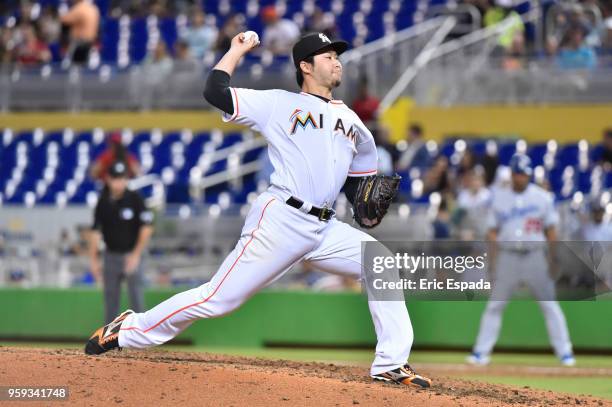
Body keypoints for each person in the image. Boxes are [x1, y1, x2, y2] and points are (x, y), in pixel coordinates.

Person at [84, 31, 432, 389]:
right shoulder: (278, 104)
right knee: (218, 299)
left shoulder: (354, 122)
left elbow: (358, 185)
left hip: (325, 228)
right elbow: (215, 92)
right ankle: (128, 329)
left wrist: (368, 210)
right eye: (327, 56)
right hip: (282, 220)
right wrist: (235, 51)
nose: (336, 60)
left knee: (382, 264)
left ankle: (391, 364)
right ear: (306, 66)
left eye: (336, 55)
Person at [467, 153, 575, 367]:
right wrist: (493, 261)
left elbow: (552, 231)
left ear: (529, 175)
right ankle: (481, 352)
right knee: (495, 306)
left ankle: (565, 352)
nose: (520, 177)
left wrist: (553, 259)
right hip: (508, 257)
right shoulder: (499, 197)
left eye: (524, 174)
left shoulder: (542, 197)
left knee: (550, 305)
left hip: (535, 256)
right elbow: (492, 233)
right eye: (517, 173)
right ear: (512, 174)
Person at [88, 161, 154, 324]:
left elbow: (146, 228)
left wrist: (136, 255)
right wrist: (94, 260)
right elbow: (95, 232)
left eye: (122, 178)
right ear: (109, 179)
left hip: (132, 254)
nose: (119, 182)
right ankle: (110, 341)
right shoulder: (103, 202)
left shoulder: (135, 199)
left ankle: (141, 341)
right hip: (110, 255)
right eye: (116, 178)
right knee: (110, 299)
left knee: (136, 297)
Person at [60, 0, 100, 65]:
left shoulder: (80, 8)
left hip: (80, 44)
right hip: (91, 44)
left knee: (77, 68)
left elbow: (63, 20)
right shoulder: (93, 8)